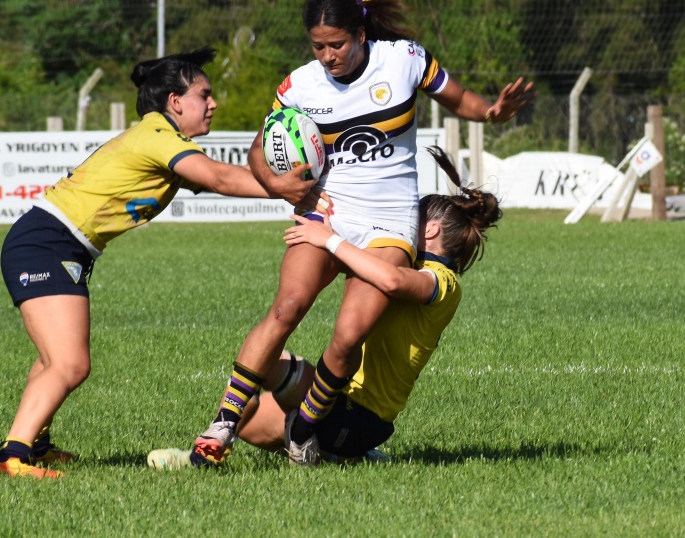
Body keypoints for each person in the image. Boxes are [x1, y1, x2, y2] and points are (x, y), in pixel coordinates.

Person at [180, 0, 534, 467]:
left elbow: (464, 101)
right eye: (318, 46)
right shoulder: (300, 85)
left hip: (390, 225)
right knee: (286, 309)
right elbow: (259, 153)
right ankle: (221, 424)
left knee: (348, 337)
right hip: (328, 214)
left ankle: (304, 432)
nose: (327, 56)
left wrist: (493, 112)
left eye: (337, 44)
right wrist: (275, 183)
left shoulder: (403, 59)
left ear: (361, 34)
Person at [0, 47, 320, 479]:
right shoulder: (157, 135)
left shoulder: (165, 141)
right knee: (70, 363)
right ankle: (12, 457)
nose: (213, 103)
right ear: (175, 101)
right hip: (47, 242)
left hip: (56, 244)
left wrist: (288, 191)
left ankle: (34, 442)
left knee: (56, 359)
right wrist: (284, 188)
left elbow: (225, 181)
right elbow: (219, 176)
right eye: (205, 94)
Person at [148, 147, 502, 467]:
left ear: (431, 230)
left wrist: (329, 240)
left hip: (360, 416)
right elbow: (372, 265)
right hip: (346, 408)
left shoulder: (443, 282)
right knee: (252, 423)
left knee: (271, 363)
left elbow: (392, 280)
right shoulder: (418, 268)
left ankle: (299, 444)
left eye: (412, 218)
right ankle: (331, 452)